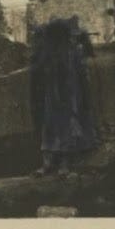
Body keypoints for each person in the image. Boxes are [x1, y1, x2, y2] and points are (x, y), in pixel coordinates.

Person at [29, 15, 99, 178]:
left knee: (65, 128)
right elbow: (38, 70)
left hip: (68, 97)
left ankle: (62, 165)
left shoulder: (71, 52)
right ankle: (49, 164)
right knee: (51, 128)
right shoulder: (48, 52)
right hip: (53, 98)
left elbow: (81, 72)